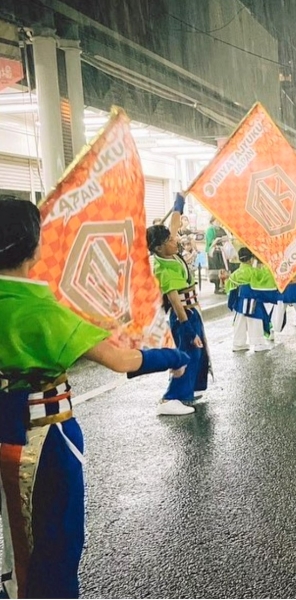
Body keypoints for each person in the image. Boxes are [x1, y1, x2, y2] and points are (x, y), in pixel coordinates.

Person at [0, 197, 189, 598]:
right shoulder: (39, 308)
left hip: (4, 429)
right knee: (55, 540)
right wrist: (174, 355)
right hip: (45, 438)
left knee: (14, 534)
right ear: (33, 247)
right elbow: (121, 360)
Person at [147, 194, 211, 416]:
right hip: (183, 315)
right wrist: (188, 328)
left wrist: (179, 203)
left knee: (196, 354)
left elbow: (174, 225)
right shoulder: (164, 268)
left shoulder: (169, 253)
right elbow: (175, 302)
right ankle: (170, 397)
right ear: (158, 248)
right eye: (170, 241)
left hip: (191, 311)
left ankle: (187, 392)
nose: (176, 241)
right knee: (186, 353)